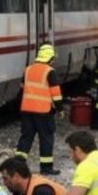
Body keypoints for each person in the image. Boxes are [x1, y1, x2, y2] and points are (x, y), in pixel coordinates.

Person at [16, 44, 63, 175]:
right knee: (46, 139)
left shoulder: (28, 70)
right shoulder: (50, 72)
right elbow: (56, 94)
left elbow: (22, 89)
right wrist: (60, 109)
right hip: (44, 112)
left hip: (27, 110)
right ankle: (46, 167)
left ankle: (17, 165)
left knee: (26, 137)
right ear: (50, 58)